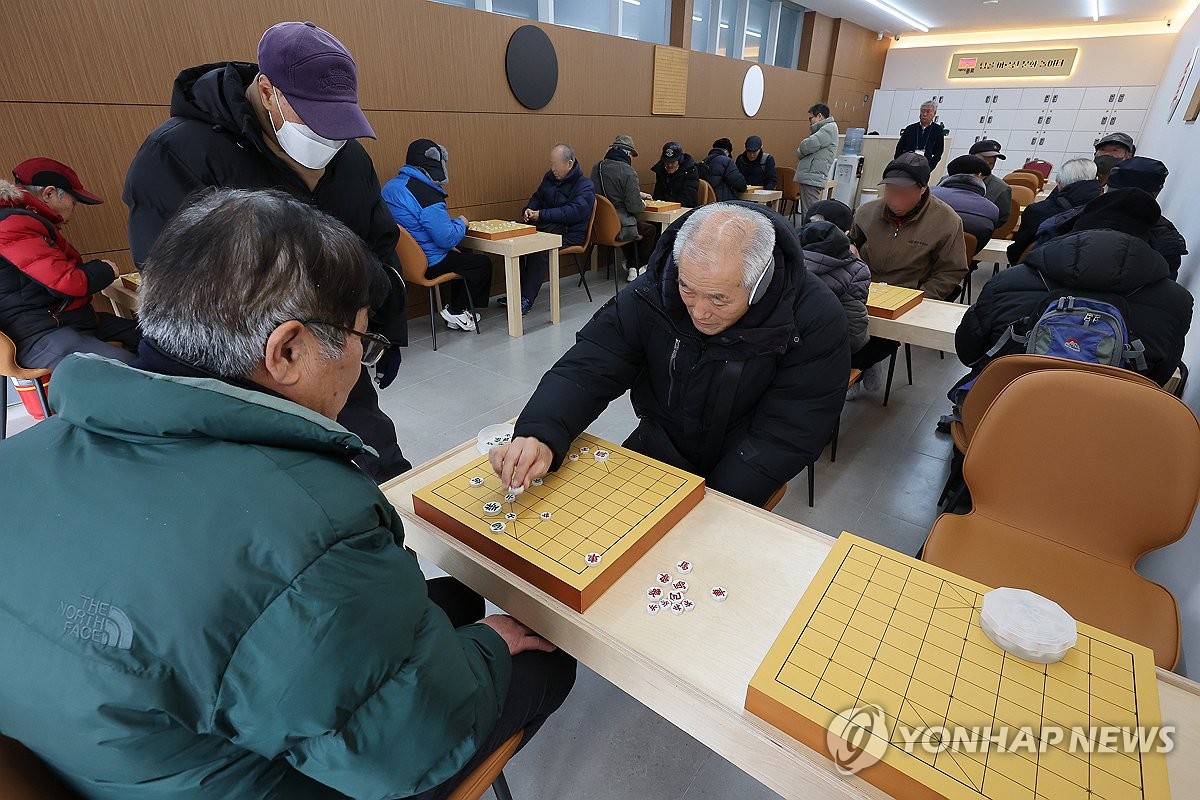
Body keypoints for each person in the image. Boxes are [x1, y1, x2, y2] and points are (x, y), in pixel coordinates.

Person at [0, 188, 577, 800]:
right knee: (547, 659)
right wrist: (489, 647)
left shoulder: (20, 456)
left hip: (118, 762)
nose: (361, 362)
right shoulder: (310, 522)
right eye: (362, 339)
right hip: (248, 780)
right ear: (288, 350)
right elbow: (404, 745)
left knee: (455, 598)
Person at [122, 21, 410, 483]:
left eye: (338, 124)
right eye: (314, 120)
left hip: (334, 356)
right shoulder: (177, 154)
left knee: (378, 470)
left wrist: (384, 327)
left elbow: (379, 244)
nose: (329, 140)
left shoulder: (350, 158)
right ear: (268, 90)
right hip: (238, 380)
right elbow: (175, 290)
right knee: (285, 496)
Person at [490, 202, 849, 508]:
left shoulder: (814, 319)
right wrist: (541, 430)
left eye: (719, 298)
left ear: (760, 283)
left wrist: (713, 502)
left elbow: (787, 433)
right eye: (688, 289)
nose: (699, 312)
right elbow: (592, 363)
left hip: (744, 464)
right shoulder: (657, 288)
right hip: (658, 442)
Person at [957, 188, 1192, 387]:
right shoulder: (1177, 302)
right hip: (1104, 428)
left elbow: (969, 351)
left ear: (1076, 227)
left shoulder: (1009, 280)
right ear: (1149, 237)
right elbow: (1158, 377)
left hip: (1000, 413)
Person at [0, 159, 139, 368]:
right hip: (38, 335)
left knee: (155, 338)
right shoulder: (12, 225)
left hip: (70, 321)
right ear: (48, 193)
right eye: (73, 203)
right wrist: (105, 269)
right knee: (129, 368)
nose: (73, 211)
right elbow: (68, 283)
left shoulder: (25, 221)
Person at [850, 154, 967, 389]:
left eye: (902, 192)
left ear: (922, 189)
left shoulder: (946, 221)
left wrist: (919, 298)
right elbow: (851, 243)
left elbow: (951, 271)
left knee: (873, 343)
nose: (893, 198)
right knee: (833, 328)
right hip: (861, 289)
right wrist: (848, 250)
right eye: (890, 190)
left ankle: (859, 367)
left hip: (907, 296)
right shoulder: (867, 212)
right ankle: (858, 366)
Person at [384, 139, 490, 332]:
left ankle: (455, 312)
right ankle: (458, 310)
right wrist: (462, 223)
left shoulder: (391, 187)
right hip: (429, 263)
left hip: (402, 262)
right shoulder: (426, 194)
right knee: (481, 264)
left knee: (460, 257)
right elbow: (446, 238)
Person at [1035, 156, 1187, 280]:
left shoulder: (1062, 222)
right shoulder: (1169, 240)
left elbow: (1035, 273)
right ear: (1157, 191)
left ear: (1105, 187)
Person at [511, 142, 595, 314]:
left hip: (570, 233)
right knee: (516, 242)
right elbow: (537, 197)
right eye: (551, 163)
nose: (552, 168)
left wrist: (541, 215)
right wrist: (529, 209)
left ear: (569, 164)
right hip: (547, 228)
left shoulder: (585, 185)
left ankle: (526, 298)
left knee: (540, 247)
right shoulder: (549, 178)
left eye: (556, 164)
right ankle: (517, 294)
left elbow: (573, 212)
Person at [798, 220, 870, 358]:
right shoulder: (858, 270)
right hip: (830, 355)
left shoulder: (781, 263)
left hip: (781, 350)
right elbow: (855, 338)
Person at [1006, 157, 1101, 264]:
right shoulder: (1104, 208)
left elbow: (1019, 251)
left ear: (1060, 183)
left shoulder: (1038, 211)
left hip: (1040, 269)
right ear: (1096, 179)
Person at [592, 134, 655, 282]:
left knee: (635, 229)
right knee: (649, 230)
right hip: (620, 226)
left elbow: (609, 190)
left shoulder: (597, 167)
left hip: (598, 226)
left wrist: (638, 194)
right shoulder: (628, 171)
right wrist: (643, 203)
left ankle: (632, 265)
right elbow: (635, 208)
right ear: (627, 153)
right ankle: (637, 266)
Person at [931, 155, 999, 253]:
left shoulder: (928, 195)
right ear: (979, 175)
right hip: (963, 262)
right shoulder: (992, 210)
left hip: (919, 260)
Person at [794, 104, 840, 215]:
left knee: (810, 212)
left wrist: (800, 150)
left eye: (811, 118)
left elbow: (807, 145)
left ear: (819, 116)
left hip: (812, 175)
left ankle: (811, 232)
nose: (810, 121)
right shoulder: (828, 128)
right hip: (813, 175)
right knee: (810, 210)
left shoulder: (828, 128)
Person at [968, 140, 1012, 228]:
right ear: (972, 157)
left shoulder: (1001, 189)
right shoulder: (949, 180)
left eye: (994, 157)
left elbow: (1002, 218)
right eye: (985, 157)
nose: (990, 161)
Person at [895, 101, 945, 169]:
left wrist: (929, 168)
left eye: (928, 111)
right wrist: (899, 162)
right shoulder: (910, 128)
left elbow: (938, 152)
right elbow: (900, 147)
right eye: (922, 111)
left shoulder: (937, 130)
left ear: (934, 113)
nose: (924, 114)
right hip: (906, 164)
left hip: (924, 166)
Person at [651, 141, 699, 208]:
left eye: (673, 162)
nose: (670, 165)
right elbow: (658, 194)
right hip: (664, 208)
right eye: (667, 162)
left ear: (680, 160)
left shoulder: (690, 171)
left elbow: (688, 198)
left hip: (684, 209)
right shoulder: (661, 170)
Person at [702, 137, 748, 202]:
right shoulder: (726, 161)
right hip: (723, 202)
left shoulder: (705, 161)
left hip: (707, 202)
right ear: (727, 151)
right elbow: (740, 185)